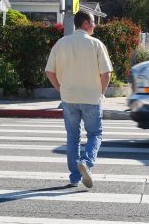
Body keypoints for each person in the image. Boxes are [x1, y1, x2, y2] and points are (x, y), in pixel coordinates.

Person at [45, 11, 113, 188]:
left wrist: (60, 88)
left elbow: (49, 71)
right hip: (91, 97)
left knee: (73, 138)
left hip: (69, 98)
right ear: (85, 23)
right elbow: (106, 73)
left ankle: (75, 177)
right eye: (93, 22)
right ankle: (87, 162)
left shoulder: (61, 43)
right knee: (95, 134)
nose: (95, 25)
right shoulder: (96, 44)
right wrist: (102, 92)